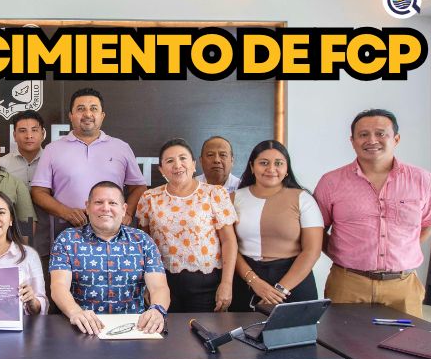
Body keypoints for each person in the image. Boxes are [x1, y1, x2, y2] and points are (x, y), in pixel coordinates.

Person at [314, 109, 431, 317]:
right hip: (347, 284)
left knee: (405, 339)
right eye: (363, 134)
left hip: (403, 287)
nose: (372, 140)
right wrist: (343, 253)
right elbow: (316, 231)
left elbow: (428, 223)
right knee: (342, 337)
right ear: (352, 141)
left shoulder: (422, 179)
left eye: (380, 133)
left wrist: (401, 251)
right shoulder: (330, 182)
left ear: (396, 139)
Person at [50, 181, 169, 335]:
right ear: (87, 207)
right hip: (82, 329)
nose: (106, 208)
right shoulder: (67, 240)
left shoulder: (142, 240)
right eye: (98, 202)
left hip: (134, 329)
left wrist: (157, 310)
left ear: (124, 209)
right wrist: (75, 312)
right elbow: (59, 286)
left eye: (112, 203)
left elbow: (159, 287)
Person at [136, 138, 238, 312]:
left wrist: (227, 284)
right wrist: (146, 284)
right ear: (161, 169)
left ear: (193, 164)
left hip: (206, 283)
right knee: (165, 329)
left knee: (202, 329)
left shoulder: (215, 193)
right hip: (162, 284)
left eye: (183, 158)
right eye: (170, 161)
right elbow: (143, 245)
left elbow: (229, 241)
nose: (177, 165)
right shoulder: (149, 198)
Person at [31, 87, 147, 239]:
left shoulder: (121, 148)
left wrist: (128, 213)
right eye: (80, 109)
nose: (87, 114)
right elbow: (38, 192)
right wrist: (66, 212)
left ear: (102, 115)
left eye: (93, 108)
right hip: (68, 229)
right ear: (71, 116)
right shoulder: (52, 149)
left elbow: (139, 187)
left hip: (112, 228)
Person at [229, 140, 323, 311]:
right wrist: (254, 281)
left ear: (287, 169)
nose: (271, 169)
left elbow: (312, 250)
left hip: (294, 282)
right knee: (243, 328)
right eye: (264, 163)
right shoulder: (234, 198)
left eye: (278, 163)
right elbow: (228, 246)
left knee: (295, 330)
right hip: (246, 282)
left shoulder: (304, 199)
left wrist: (280, 290)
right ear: (252, 166)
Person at [0, 110, 54, 307]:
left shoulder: (54, 160)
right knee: (14, 294)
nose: (29, 135)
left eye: (34, 130)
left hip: (48, 237)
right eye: (22, 131)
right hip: (12, 238)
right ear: (14, 135)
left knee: (45, 294)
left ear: (43, 133)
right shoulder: (1, 164)